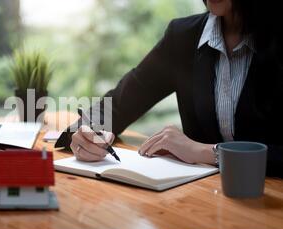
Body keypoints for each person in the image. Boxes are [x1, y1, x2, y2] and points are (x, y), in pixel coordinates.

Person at [56, 0, 283, 176]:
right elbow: (118, 104)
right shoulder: (183, 37)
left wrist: (207, 152)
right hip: (198, 203)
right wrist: (84, 134)